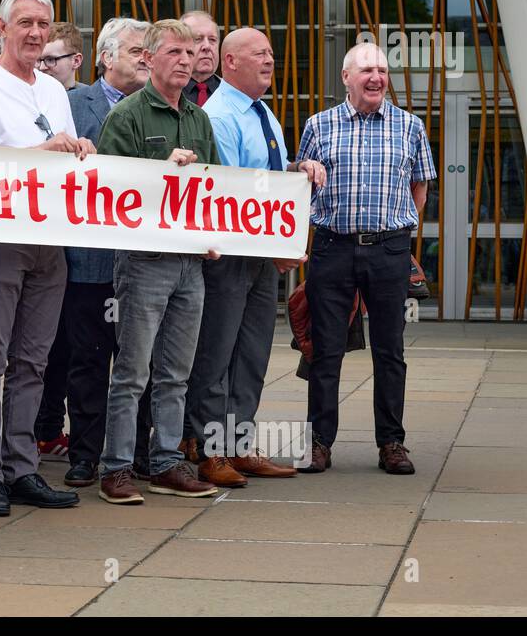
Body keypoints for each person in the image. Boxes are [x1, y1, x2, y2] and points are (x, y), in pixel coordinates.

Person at [0, 0, 94, 516]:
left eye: (44, 24)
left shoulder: (55, 90)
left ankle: (22, 467)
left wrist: (81, 152)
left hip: (48, 238)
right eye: (26, 22)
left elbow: (65, 158)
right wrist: (41, 151)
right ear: (2, 26)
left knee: (33, 359)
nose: (36, 33)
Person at [183, 28, 326, 487]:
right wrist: (275, 243)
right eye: (259, 54)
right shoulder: (218, 115)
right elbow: (230, 188)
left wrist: (296, 169)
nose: (270, 60)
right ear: (230, 63)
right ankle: (210, 452)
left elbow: (267, 180)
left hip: (261, 258)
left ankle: (240, 445)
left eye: (271, 53)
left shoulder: (263, 113)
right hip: (228, 255)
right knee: (216, 355)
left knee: (253, 354)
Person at [95, 19, 221, 505]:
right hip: (144, 261)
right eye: (174, 52)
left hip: (191, 261)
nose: (185, 61)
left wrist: (214, 236)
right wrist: (159, 171)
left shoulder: (199, 119)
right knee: (132, 371)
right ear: (149, 59)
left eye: (190, 53)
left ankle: (166, 462)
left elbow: (215, 185)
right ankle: (118, 468)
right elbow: (107, 188)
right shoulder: (127, 116)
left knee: (176, 372)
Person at [295, 41, 435, 476]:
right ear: (346, 78)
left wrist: (399, 232)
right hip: (332, 247)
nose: (376, 77)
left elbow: (420, 187)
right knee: (325, 351)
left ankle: (391, 443)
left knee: (390, 350)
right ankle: (319, 443)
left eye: (381, 69)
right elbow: (302, 186)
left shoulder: (410, 126)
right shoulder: (318, 125)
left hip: (389, 249)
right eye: (366, 70)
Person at [39, 17, 150, 486]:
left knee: (139, 362)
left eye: (150, 50)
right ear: (106, 57)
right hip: (87, 259)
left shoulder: (159, 107)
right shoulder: (69, 105)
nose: (146, 57)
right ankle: (85, 454)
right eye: (136, 50)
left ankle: (136, 453)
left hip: (143, 261)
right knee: (87, 361)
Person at [181, 10, 222, 107]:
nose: (207, 46)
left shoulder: (232, 94)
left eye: (212, 40)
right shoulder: (165, 93)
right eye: (198, 39)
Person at [36, 21, 84, 91]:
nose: (41, 67)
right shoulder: (25, 97)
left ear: (76, 61)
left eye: (50, 59)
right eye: (38, 60)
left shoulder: (93, 99)